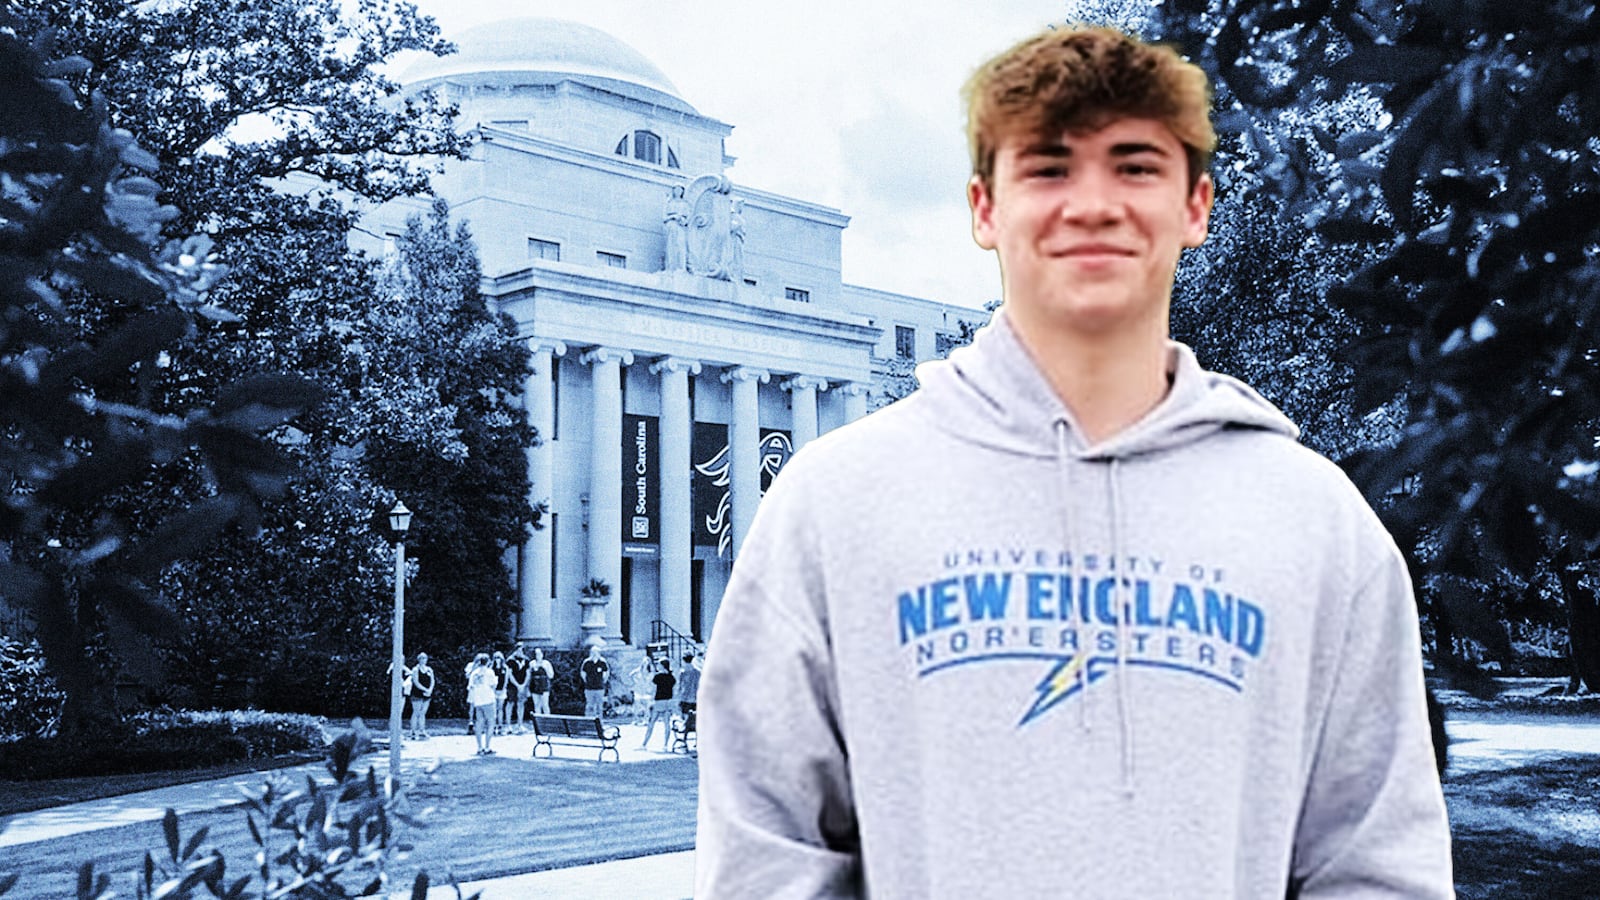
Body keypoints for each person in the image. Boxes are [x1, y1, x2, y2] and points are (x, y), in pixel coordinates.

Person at [695, 24, 1453, 899]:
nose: (1092, 204)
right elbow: (764, 857)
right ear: (984, 207)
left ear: (1196, 205)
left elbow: (1377, 865)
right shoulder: (833, 505)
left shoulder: (1318, 522)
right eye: (1049, 167)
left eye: (1134, 165)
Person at [639, 658, 676, 751]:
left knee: (651, 723)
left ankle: (644, 744)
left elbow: (652, 688)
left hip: (659, 701)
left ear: (662, 666)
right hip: (668, 701)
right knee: (667, 724)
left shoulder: (658, 677)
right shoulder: (671, 677)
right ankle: (665, 745)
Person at [465, 652, 497, 756]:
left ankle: (479, 747)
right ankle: (487, 746)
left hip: (478, 700)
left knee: (479, 723)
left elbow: (470, 687)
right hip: (488, 699)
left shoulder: (474, 673)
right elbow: (493, 685)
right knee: (491, 722)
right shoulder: (490, 672)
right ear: (488, 662)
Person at [408, 652, 434, 740]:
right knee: (416, 712)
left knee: (423, 712)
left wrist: (430, 689)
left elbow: (432, 680)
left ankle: (422, 730)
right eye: (421, 658)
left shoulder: (429, 669)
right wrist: (424, 689)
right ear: (418, 660)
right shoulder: (415, 669)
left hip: (427, 693)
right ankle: (413, 731)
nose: (423, 660)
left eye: (425, 658)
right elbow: (416, 682)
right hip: (417, 693)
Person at [505, 643, 530, 734]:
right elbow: (509, 674)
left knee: (521, 704)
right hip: (512, 686)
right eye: (519, 649)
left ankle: (520, 724)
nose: (520, 651)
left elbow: (528, 673)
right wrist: (517, 685)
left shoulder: (526, 660)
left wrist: (523, 685)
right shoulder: (510, 660)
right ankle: (508, 725)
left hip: (523, 686)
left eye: (522, 649)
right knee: (510, 703)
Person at [580, 644, 610, 719]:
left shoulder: (602, 662)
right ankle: (588, 721)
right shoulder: (587, 662)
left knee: (599, 706)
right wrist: (587, 681)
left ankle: (600, 721)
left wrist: (603, 682)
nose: (595, 654)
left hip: (599, 688)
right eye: (593, 652)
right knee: (590, 705)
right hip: (589, 688)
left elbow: (606, 673)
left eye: (596, 652)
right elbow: (583, 673)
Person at [675, 650, 701, 734]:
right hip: (695, 698)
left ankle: (684, 734)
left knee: (685, 717)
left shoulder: (682, 672)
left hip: (685, 698)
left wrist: (678, 698)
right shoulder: (698, 672)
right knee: (696, 719)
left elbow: (679, 687)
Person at [627, 653, 656, 726]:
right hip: (639, 689)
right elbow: (631, 675)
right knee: (637, 705)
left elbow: (653, 678)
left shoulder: (651, 671)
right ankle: (636, 719)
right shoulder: (639, 670)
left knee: (647, 706)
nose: (646, 663)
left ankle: (646, 720)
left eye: (647, 661)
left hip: (647, 690)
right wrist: (635, 681)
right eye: (645, 661)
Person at [528, 646, 554, 715]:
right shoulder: (532, 663)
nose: (538, 656)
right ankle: (538, 721)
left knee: (545, 705)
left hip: (544, 687)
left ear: (542, 654)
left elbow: (551, 676)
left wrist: (545, 669)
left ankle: (547, 720)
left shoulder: (546, 663)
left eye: (539, 654)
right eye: (536, 654)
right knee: (536, 705)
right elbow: (529, 676)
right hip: (534, 687)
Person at [489, 650, 508, 735]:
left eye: (499, 658)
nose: (498, 660)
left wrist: (503, 689)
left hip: (502, 690)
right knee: (493, 709)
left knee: (500, 708)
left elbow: (506, 680)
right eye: (496, 658)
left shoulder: (505, 668)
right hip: (493, 691)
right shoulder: (491, 668)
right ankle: (493, 726)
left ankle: (500, 726)